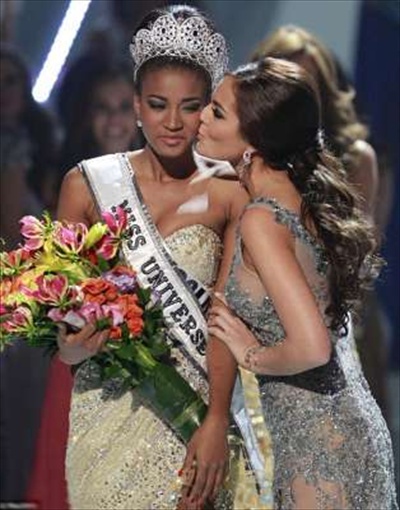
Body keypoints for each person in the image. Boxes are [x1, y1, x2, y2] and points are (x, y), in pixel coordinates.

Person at [50, 6, 268, 510]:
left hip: (192, 414)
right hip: (106, 407)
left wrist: (216, 421)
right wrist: (74, 348)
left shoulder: (230, 192)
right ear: (136, 105)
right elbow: (64, 327)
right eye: (157, 104)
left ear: (207, 109)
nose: (172, 122)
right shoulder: (86, 184)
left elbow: (224, 318)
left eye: (190, 107)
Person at [197, 57, 398, 509]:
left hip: (320, 446)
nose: (201, 117)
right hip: (343, 428)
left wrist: (250, 354)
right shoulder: (300, 199)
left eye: (217, 112)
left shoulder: (262, 219)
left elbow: (312, 347)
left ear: (253, 143)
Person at [251, 24, 391, 419]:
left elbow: (359, 253)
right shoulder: (248, 153)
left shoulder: (355, 157)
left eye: (308, 83)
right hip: (257, 314)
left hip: (337, 317)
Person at [26, 61, 140, 510]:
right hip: (83, 343)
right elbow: (60, 273)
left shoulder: (167, 180)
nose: (113, 119)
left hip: (145, 348)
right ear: (87, 115)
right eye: (102, 108)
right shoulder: (75, 183)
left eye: (123, 107)